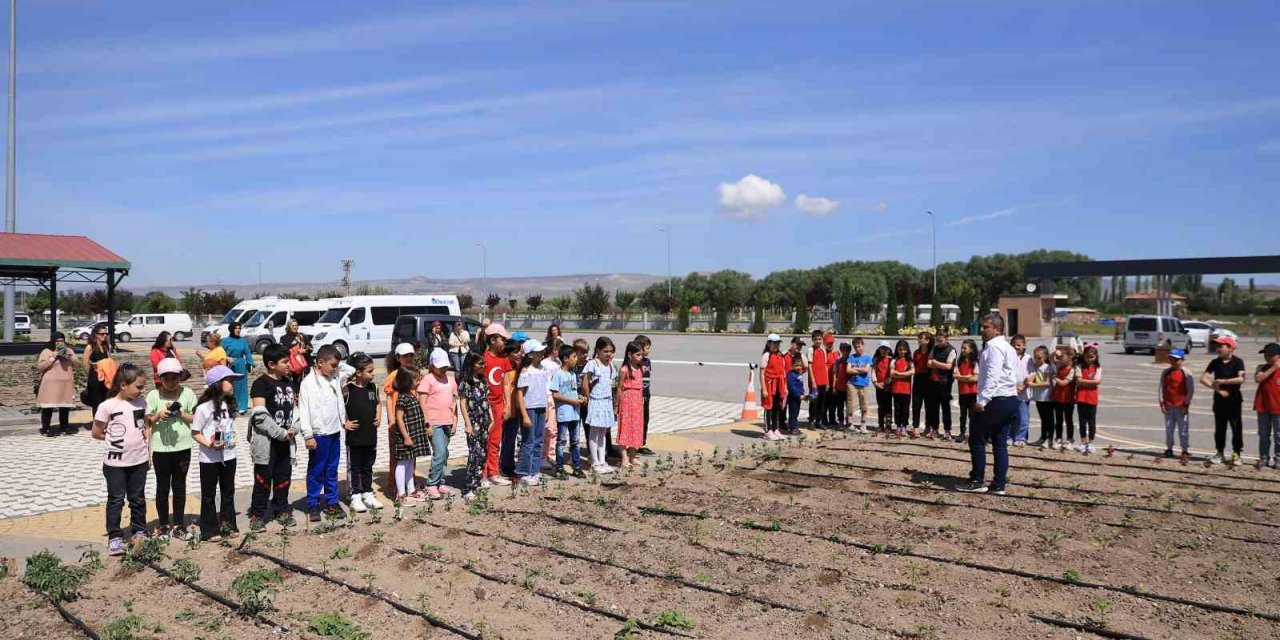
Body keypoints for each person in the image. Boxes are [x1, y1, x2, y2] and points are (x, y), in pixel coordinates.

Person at [959, 313, 1020, 495]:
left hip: (995, 400)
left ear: (997, 329)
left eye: (986, 327)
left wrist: (982, 401)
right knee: (999, 443)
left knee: (977, 439)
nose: (982, 330)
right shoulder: (1007, 347)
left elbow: (993, 376)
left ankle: (977, 479)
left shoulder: (994, 348)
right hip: (1009, 399)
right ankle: (999, 484)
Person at [93, 363, 149, 556]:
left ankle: (139, 530)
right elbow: (97, 432)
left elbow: (145, 427)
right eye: (139, 387)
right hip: (115, 463)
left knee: (138, 498)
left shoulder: (141, 403)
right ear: (123, 385)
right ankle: (115, 536)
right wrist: (115, 439)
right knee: (116, 499)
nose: (141, 391)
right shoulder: (107, 406)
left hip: (139, 460)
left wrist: (148, 453)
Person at [144, 358, 197, 539]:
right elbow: (147, 421)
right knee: (162, 487)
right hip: (161, 450)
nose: (171, 383)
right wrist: (158, 415)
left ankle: (179, 525)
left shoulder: (188, 393)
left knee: (180, 486)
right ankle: (164, 525)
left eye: (175, 378)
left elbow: (196, 418)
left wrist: (180, 413)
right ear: (160, 379)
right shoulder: (153, 396)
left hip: (183, 448)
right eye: (167, 379)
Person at [298, 344, 353, 520]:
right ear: (320, 363)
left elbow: (350, 369)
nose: (336, 368)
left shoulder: (335, 377)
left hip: (334, 431)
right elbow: (303, 410)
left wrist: (335, 364)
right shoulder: (308, 383)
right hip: (318, 434)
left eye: (337, 365)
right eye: (332, 365)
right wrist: (307, 435)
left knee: (332, 469)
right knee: (317, 469)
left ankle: (332, 502)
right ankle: (313, 503)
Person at [249, 344, 299, 529]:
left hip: (286, 441)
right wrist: (280, 433)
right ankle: (258, 515)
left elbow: (296, 410)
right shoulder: (260, 384)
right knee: (263, 480)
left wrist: (294, 429)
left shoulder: (288, 382)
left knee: (283, 478)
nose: (289, 365)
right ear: (271, 364)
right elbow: (259, 417)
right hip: (267, 442)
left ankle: (281, 510)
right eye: (285, 361)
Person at [192, 365, 241, 542]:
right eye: (230, 380)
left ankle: (228, 524)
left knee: (228, 491)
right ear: (217, 384)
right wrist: (210, 445)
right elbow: (195, 432)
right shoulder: (203, 408)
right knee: (208, 494)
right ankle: (210, 529)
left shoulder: (229, 404)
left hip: (229, 455)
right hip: (209, 458)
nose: (233, 384)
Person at [343, 353, 382, 512]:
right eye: (370, 371)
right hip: (355, 438)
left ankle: (367, 492)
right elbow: (337, 407)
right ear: (358, 372)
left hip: (370, 435)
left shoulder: (373, 387)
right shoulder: (348, 389)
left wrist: (379, 416)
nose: (373, 374)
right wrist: (344, 423)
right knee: (355, 467)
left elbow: (378, 403)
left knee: (368, 465)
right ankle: (355, 495)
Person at [419, 348, 460, 497]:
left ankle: (440, 482)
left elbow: (454, 401)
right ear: (431, 365)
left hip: (447, 421)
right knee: (439, 452)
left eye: (444, 366)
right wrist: (427, 423)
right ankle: (431, 483)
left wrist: (455, 420)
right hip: (434, 422)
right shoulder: (428, 380)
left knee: (445, 453)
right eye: (439, 366)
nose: (443, 369)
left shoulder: (450, 380)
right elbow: (422, 402)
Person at [1200, 336, 1245, 465]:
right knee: (1220, 428)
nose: (1218, 349)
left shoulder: (1238, 362)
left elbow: (1241, 378)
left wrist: (1223, 381)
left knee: (1236, 427)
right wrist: (1217, 388)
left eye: (1221, 346)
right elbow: (1203, 378)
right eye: (1217, 346)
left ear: (1230, 348)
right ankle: (1219, 452)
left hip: (1234, 401)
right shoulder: (1215, 362)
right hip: (1219, 401)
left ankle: (1236, 453)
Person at [515, 339, 553, 485]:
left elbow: (545, 389)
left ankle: (535, 470)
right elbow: (520, 393)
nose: (541, 354)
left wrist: (547, 408)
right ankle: (523, 472)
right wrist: (524, 414)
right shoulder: (526, 371)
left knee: (538, 441)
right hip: (529, 408)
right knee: (528, 442)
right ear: (530, 355)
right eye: (538, 352)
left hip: (541, 407)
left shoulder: (543, 369)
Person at [383, 342, 418, 499]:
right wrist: (391, 419)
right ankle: (397, 487)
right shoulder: (393, 376)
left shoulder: (413, 373)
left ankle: (410, 484)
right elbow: (389, 399)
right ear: (397, 358)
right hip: (398, 421)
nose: (408, 358)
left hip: (411, 421)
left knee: (412, 456)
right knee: (397, 457)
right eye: (405, 356)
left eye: (411, 355)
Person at [482, 324, 514, 486]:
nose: (505, 342)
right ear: (493, 340)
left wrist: (507, 405)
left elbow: (506, 383)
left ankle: (493, 472)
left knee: (495, 440)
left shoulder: (504, 359)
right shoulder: (482, 358)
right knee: (483, 441)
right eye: (503, 339)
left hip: (498, 406)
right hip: (484, 408)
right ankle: (482, 474)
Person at [458, 352, 493, 500]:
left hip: (484, 422)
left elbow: (486, 401)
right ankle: (468, 487)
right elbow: (463, 404)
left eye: (483, 364)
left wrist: (491, 418)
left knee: (483, 453)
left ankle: (477, 482)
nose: (482, 367)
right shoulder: (465, 383)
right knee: (474, 454)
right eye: (480, 364)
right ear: (472, 364)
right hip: (473, 422)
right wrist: (467, 424)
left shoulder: (483, 381)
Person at [583, 337, 618, 474]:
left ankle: (602, 460)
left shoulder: (610, 365)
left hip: (606, 400)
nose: (609, 354)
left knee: (603, 432)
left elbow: (613, 383)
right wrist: (587, 397)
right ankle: (595, 462)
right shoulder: (593, 364)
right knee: (594, 432)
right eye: (605, 351)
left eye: (611, 351)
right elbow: (585, 382)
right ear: (598, 350)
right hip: (596, 400)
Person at [551, 344, 587, 478]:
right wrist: (572, 401)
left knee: (575, 441)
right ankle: (559, 468)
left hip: (575, 414)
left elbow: (572, 391)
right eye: (574, 357)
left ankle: (577, 467)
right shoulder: (558, 374)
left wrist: (579, 397)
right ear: (565, 358)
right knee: (561, 441)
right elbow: (555, 394)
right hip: (564, 414)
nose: (576, 359)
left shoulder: (572, 374)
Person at [392, 367, 428, 502]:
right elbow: (399, 419)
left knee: (410, 463)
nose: (419, 382)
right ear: (406, 381)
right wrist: (406, 437)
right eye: (416, 379)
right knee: (402, 464)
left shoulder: (411, 395)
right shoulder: (402, 398)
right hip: (405, 438)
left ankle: (411, 489)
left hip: (413, 436)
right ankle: (400, 493)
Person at [37, 332, 78, 437]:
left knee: (64, 406)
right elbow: (41, 366)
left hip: (65, 383)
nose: (60, 343)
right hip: (51, 384)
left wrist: (71, 356)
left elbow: (76, 364)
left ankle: (64, 427)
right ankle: (46, 428)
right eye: (57, 341)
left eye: (62, 341)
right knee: (48, 407)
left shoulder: (68, 350)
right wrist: (53, 356)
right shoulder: (47, 351)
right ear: (53, 342)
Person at [1158, 349, 1194, 460]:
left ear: (1181, 360)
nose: (1173, 361)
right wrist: (1161, 403)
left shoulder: (1186, 373)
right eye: (1171, 359)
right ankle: (1169, 448)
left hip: (1181, 406)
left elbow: (1190, 390)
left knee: (1183, 429)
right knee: (1169, 428)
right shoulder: (1166, 372)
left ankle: (1184, 450)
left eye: (1176, 359)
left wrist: (1186, 405)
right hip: (1168, 405)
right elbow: (1161, 388)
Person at [616, 341, 646, 468]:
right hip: (627, 401)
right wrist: (617, 404)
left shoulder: (641, 368)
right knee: (625, 428)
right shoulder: (624, 370)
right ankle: (624, 458)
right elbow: (619, 388)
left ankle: (633, 456)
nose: (640, 357)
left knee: (637, 429)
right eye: (638, 355)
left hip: (638, 402)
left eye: (641, 355)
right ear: (630, 355)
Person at [925, 329, 956, 440]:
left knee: (945, 407)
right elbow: (928, 364)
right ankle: (935, 429)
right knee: (934, 407)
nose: (938, 342)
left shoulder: (951, 350)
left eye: (941, 340)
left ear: (946, 339)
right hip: (933, 381)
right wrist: (938, 364)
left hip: (945, 383)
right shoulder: (934, 348)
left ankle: (947, 430)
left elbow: (948, 366)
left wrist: (935, 362)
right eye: (937, 340)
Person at [1254, 343, 1280, 469]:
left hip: (1278, 408)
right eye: (1265, 355)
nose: (1267, 357)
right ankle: (1264, 457)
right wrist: (1273, 368)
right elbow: (1259, 379)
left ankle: (1278, 458)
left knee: (1279, 435)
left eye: (1270, 355)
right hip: (1263, 406)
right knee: (1264, 435)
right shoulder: (1262, 367)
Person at [221, 321, 254, 413]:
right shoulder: (225, 341)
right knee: (228, 386)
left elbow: (247, 352)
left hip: (240, 364)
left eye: (239, 328)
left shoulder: (243, 340)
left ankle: (241, 406)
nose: (238, 330)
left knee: (241, 385)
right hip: (228, 365)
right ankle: (228, 404)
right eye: (236, 328)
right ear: (231, 329)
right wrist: (227, 358)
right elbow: (220, 353)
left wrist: (250, 363)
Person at [1074, 344, 1102, 454]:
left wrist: (1083, 382)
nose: (1089, 359)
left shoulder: (1097, 368)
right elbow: (1078, 380)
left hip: (1092, 397)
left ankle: (1090, 442)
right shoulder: (1079, 366)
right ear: (1084, 356)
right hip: (1081, 396)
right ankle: (1083, 442)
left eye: (1092, 357)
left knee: (1091, 421)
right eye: (1087, 357)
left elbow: (1097, 381)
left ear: (1096, 357)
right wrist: (1090, 382)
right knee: (1082, 421)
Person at [760, 334, 788, 438]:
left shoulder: (780, 356)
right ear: (768, 344)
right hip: (769, 384)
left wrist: (785, 387)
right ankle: (767, 430)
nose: (776, 345)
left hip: (779, 384)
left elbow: (783, 373)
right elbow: (762, 373)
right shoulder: (766, 355)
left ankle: (775, 428)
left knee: (777, 407)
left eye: (778, 343)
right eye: (774, 343)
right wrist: (764, 389)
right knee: (769, 407)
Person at [82, 324, 113, 416]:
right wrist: (91, 374)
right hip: (95, 377)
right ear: (96, 334)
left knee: (106, 401)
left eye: (106, 334)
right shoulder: (90, 347)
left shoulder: (106, 346)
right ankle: (97, 423)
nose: (104, 336)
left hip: (106, 377)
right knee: (97, 402)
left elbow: (110, 360)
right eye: (102, 334)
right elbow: (85, 363)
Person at [1027, 346, 1055, 449]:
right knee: (1043, 419)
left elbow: (1047, 383)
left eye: (1039, 358)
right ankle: (1043, 437)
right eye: (1035, 358)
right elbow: (1032, 377)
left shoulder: (1047, 367)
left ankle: (1050, 439)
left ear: (1045, 357)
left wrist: (1033, 385)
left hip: (1047, 397)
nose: (1037, 360)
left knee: (1049, 419)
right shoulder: (1036, 367)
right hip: (1039, 397)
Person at [1050, 347, 1077, 450]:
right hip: (1058, 398)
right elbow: (1051, 358)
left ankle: (1070, 439)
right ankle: (1058, 438)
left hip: (1068, 398)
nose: (1060, 358)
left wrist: (1055, 378)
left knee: (1069, 420)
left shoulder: (1072, 370)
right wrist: (1055, 352)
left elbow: (1064, 383)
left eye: (1063, 356)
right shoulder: (1060, 366)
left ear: (1070, 357)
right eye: (1060, 357)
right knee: (1059, 420)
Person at [845, 337, 873, 434]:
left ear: (863, 345)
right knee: (851, 404)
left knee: (864, 405)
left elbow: (866, 370)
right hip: (852, 383)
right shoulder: (851, 357)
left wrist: (855, 369)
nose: (858, 349)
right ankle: (850, 424)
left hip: (864, 384)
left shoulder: (868, 358)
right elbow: (848, 370)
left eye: (859, 346)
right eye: (856, 347)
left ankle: (863, 424)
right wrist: (860, 369)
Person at [954, 339, 980, 443]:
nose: (962, 350)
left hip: (972, 392)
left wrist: (962, 377)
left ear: (971, 350)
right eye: (962, 348)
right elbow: (955, 375)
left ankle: (973, 433)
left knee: (973, 415)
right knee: (963, 414)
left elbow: (975, 378)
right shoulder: (960, 361)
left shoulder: (975, 362)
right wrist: (966, 377)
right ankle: (962, 433)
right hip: (963, 392)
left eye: (965, 348)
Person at [635, 334, 656, 456]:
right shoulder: (635, 362)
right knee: (637, 420)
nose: (649, 350)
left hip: (646, 395)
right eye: (647, 347)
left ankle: (642, 443)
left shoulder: (647, 361)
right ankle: (634, 444)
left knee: (645, 420)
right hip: (637, 396)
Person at [911, 332, 934, 437]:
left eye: (922, 338)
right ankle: (915, 427)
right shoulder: (916, 352)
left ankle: (928, 427)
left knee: (929, 405)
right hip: (918, 378)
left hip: (929, 379)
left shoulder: (932, 351)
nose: (920, 340)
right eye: (919, 338)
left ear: (928, 340)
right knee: (916, 404)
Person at [1011, 334, 1033, 446]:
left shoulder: (1028, 358)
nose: (1016, 347)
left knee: (1023, 417)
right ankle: (1009, 436)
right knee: (1010, 416)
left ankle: (1021, 437)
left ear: (1024, 346)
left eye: (1019, 345)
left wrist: (1024, 386)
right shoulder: (1008, 356)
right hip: (1010, 390)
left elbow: (1032, 374)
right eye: (1014, 345)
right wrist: (1013, 386)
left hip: (1024, 392)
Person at [889, 340, 914, 436]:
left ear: (907, 350)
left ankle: (904, 426)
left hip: (906, 390)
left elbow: (912, 372)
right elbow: (892, 374)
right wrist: (903, 375)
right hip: (896, 389)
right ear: (897, 350)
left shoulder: (909, 361)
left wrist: (899, 374)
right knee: (897, 408)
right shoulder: (894, 361)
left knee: (905, 409)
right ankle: (898, 426)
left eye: (904, 350)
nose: (902, 352)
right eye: (900, 350)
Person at [809, 334, 832, 428]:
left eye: (819, 339)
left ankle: (819, 421)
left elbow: (825, 367)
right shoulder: (811, 350)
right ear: (812, 340)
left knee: (822, 402)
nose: (818, 341)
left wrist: (827, 382)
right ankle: (811, 421)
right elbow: (810, 366)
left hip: (823, 381)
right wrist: (813, 382)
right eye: (815, 339)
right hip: (814, 383)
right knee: (813, 401)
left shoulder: (823, 350)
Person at [871, 344, 893, 434]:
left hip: (888, 387)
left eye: (886, 349)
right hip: (879, 386)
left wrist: (887, 382)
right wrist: (875, 383)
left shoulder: (891, 360)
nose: (884, 350)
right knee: (881, 407)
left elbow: (891, 372)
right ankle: (880, 425)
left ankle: (888, 425)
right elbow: (873, 372)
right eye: (882, 349)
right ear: (879, 350)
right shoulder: (876, 360)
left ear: (889, 350)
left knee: (888, 407)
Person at [832, 342, 851, 429]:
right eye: (843, 349)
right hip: (840, 387)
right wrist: (834, 387)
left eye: (846, 349)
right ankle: (840, 421)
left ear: (849, 350)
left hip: (849, 387)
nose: (845, 351)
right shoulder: (838, 361)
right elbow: (835, 374)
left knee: (849, 406)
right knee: (840, 406)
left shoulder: (851, 361)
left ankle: (849, 421)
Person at [786, 355, 806, 433]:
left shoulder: (798, 374)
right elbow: (791, 387)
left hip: (798, 397)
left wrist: (803, 392)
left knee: (796, 412)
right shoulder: (791, 375)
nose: (798, 367)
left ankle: (795, 426)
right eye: (796, 365)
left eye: (800, 365)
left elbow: (800, 385)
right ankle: (792, 428)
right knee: (793, 413)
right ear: (792, 365)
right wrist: (798, 395)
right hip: (793, 397)